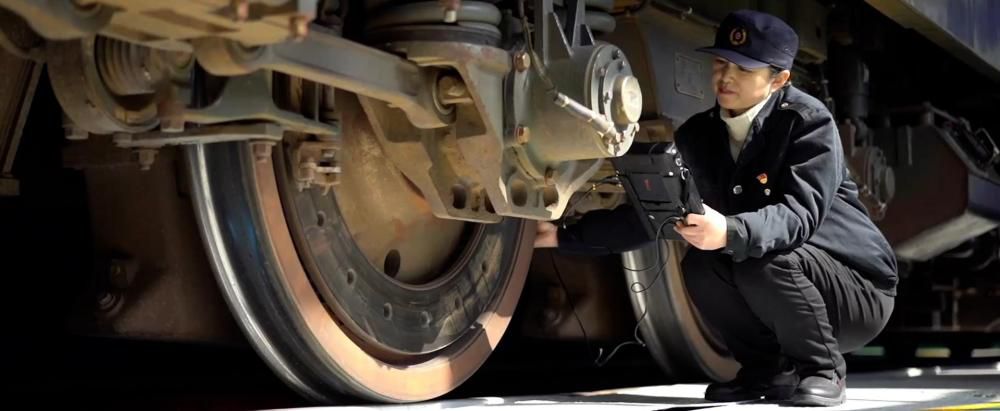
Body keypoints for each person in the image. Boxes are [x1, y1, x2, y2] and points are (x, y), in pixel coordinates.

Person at [534, 9, 898, 407]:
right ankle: (767, 372)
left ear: (779, 80)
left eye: (743, 69)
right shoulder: (700, 134)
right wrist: (563, 236)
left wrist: (729, 230)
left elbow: (799, 215)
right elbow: (654, 217)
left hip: (856, 291)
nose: (726, 77)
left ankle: (823, 371)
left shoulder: (807, 124)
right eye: (721, 63)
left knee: (760, 258)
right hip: (790, 280)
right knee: (701, 266)